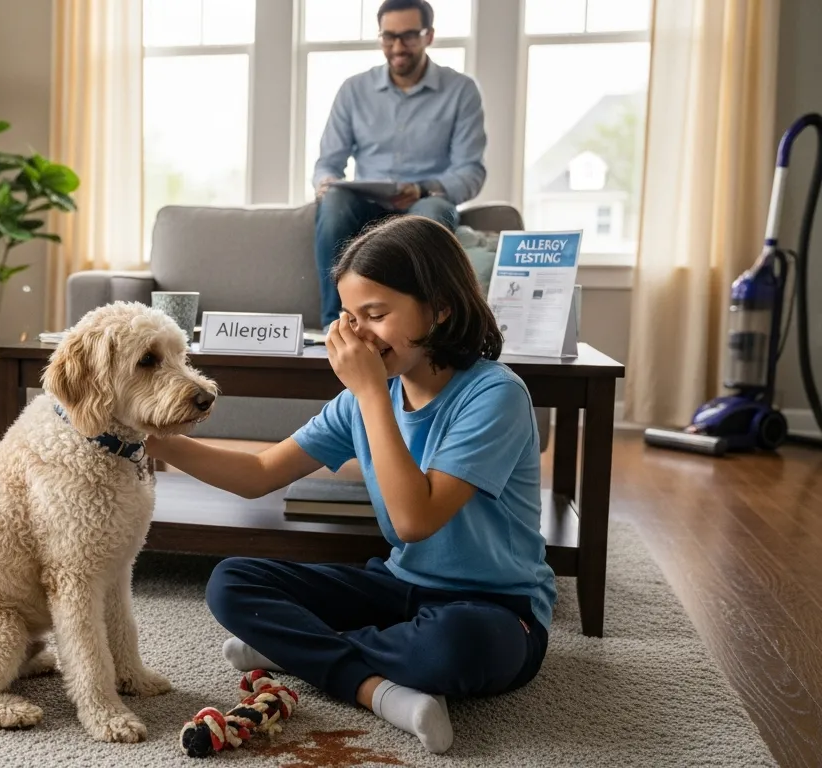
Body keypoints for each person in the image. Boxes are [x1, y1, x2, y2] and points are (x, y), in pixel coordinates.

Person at [144, 216, 554, 755]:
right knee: (231, 582)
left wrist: (370, 395)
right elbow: (260, 474)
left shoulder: (493, 395)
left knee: (456, 649)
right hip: (399, 588)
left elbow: (415, 520)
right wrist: (155, 442)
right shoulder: (363, 401)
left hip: (496, 607)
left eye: (377, 315)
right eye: (350, 316)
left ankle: (297, 650)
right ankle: (378, 691)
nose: (358, 332)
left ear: (440, 308)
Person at [312, 0, 487, 332]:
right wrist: (325, 181)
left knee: (431, 213)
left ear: (429, 36)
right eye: (388, 37)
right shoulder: (354, 90)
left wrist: (422, 188)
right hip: (365, 207)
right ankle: (335, 327)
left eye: (408, 36)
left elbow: (470, 173)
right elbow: (327, 163)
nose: (397, 47)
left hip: (426, 201)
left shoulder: (461, 91)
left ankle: (422, 329)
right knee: (333, 201)